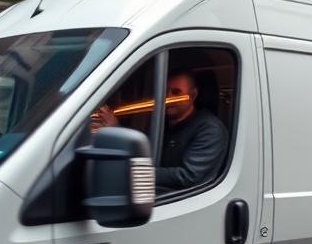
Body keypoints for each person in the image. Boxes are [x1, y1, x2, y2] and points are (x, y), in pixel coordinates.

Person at [94, 71, 229, 194]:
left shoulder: (209, 129)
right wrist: (115, 129)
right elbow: (143, 152)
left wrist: (136, 173)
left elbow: (189, 176)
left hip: (179, 204)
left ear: (192, 95)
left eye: (176, 92)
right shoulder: (161, 123)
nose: (167, 98)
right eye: (165, 92)